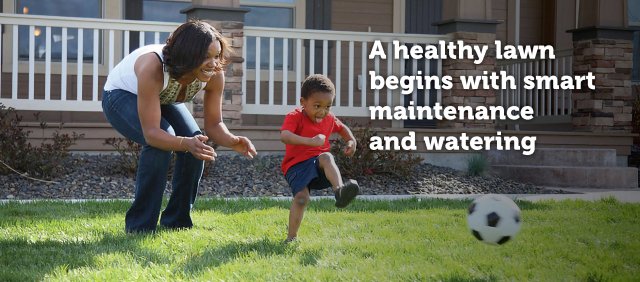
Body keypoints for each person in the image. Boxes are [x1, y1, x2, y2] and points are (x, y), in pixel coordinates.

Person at [102, 20, 257, 233]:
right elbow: (152, 134)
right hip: (121, 96)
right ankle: (140, 226)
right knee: (160, 143)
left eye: (216, 55)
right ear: (188, 54)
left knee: (197, 143)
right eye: (206, 57)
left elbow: (214, 125)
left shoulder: (214, 74)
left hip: (163, 99)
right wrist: (183, 143)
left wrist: (232, 140)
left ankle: (177, 222)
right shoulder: (153, 67)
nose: (213, 63)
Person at [280, 74, 360, 242]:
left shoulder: (329, 118)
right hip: (296, 166)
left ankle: (339, 191)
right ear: (303, 102)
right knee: (301, 199)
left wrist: (351, 141)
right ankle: (291, 238)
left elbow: (342, 128)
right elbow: (285, 136)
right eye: (317, 106)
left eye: (328, 106)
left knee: (326, 156)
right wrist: (309, 142)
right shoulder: (295, 116)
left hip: (318, 164)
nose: (322, 111)